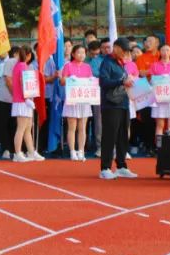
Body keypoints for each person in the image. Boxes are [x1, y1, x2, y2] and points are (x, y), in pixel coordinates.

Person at [98, 38, 138, 179]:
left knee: (123, 136)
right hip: (110, 105)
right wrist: (121, 81)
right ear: (116, 48)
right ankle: (105, 168)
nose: (126, 53)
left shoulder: (122, 64)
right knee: (109, 136)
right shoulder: (107, 62)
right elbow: (103, 82)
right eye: (124, 50)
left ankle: (121, 166)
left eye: (128, 51)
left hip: (124, 104)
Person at [9, 46, 44, 162]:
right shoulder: (22, 66)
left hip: (24, 101)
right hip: (22, 101)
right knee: (21, 128)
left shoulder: (19, 66)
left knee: (28, 128)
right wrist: (27, 98)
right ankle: (17, 153)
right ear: (29, 56)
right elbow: (23, 83)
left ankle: (31, 151)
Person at [59, 44, 93, 161]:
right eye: (79, 52)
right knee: (72, 127)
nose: (81, 55)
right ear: (73, 54)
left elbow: (91, 81)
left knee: (82, 127)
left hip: (83, 100)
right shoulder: (68, 65)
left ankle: (81, 151)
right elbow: (62, 81)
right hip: (72, 100)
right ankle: (72, 151)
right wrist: (69, 79)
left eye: (83, 53)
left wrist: (91, 80)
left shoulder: (87, 67)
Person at [148, 44, 170, 147]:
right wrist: (160, 79)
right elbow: (151, 81)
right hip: (159, 99)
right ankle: (159, 148)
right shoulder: (154, 65)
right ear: (160, 52)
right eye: (163, 50)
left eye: (167, 50)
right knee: (160, 124)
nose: (165, 52)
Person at [0, 50, 15, 159]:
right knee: (1, 125)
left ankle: (12, 149)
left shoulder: (12, 62)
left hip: (12, 99)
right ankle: (5, 148)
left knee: (12, 125)